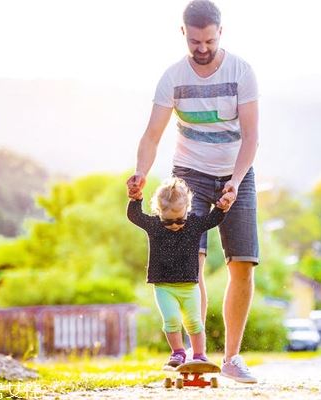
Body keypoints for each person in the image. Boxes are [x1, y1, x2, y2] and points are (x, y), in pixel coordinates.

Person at [126, 0, 259, 383]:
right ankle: (193, 354)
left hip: (237, 172)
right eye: (196, 41)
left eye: (210, 41)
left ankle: (232, 358)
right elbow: (152, 136)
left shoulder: (241, 72)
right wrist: (140, 172)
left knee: (243, 264)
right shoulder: (172, 78)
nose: (202, 48)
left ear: (221, 32)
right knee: (189, 263)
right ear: (183, 32)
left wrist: (234, 181)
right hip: (190, 175)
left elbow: (251, 136)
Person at [127, 177, 231, 368]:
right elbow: (135, 216)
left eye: (179, 219)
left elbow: (213, 219)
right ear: (159, 212)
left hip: (190, 286)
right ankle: (178, 352)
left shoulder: (194, 224)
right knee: (172, 320)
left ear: (187, 209)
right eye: (168, 221)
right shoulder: (154, 225)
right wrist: (136, 199)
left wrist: (222, 206)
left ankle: (199, 355)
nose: (174, 224)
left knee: (194, 322)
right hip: (164, 287)